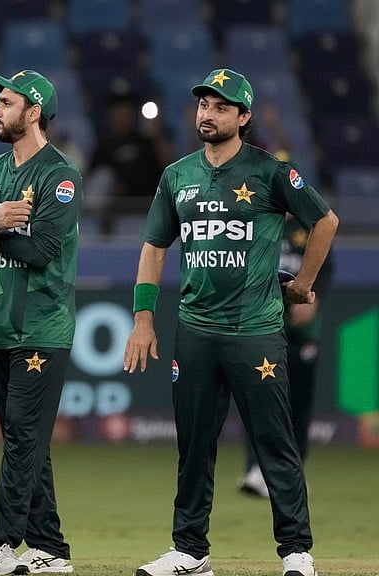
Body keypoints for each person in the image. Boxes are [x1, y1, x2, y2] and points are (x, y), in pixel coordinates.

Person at [123, 68, 339, 576]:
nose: (208, 114)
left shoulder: (270, 172)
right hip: (195, 331)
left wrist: (305, 284)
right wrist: (143, 318)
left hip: (255, 332)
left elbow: (325, 220)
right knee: (193, 446)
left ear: (243, 117)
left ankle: (296, 553)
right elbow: (154, 247)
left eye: (221, 107)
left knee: (274, 442)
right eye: (203, 104)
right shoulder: (176, 175)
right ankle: (190, 552)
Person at [0, 70, 81, 576]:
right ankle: (51, 549)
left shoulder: (59, 175)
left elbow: (41, 251)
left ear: (33, 112)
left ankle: (1, 543)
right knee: (27, 439)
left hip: (42, 324)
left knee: (21, 436)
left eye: (5, 102)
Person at [239, 216, 334, 498]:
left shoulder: (310, 225)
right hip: (262, 327)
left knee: (298, 404)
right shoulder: (256, 219)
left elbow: (326, 267)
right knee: (259, 399)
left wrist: (313, 299)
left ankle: (293, 472)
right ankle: (256, 469)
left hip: (301, 331)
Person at [86, 91, 172, 236]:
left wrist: (157, 134)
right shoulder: (103, 146)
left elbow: (169, 168)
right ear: (110, 115)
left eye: (127, 112)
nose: (123, 117)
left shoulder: (146, 142)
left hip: (146, 210)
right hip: (112, 214)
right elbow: (93, 184)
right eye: (119, 112)